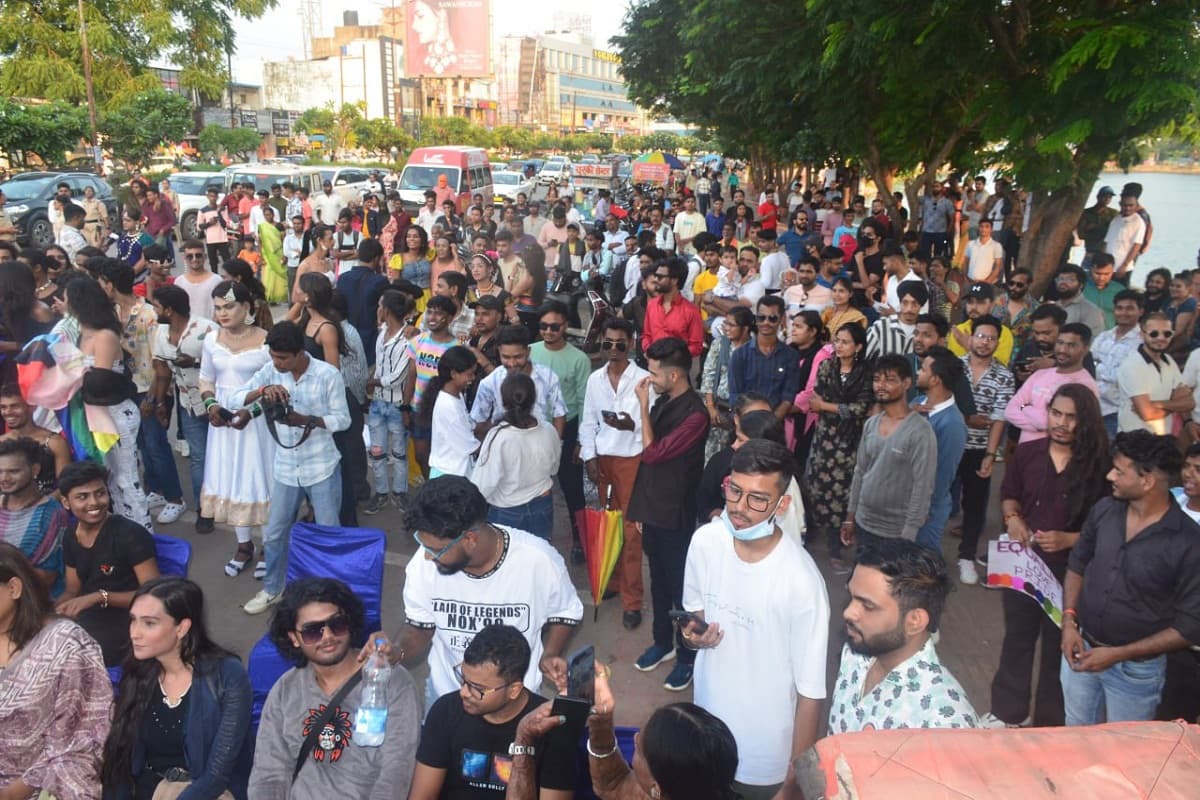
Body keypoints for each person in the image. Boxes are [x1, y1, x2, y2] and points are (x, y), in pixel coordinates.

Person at [680, 440, 827, 799]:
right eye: (735, 491)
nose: (740, 508)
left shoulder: (801, 582)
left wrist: (792, 783)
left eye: (758, 499)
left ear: (783, 504)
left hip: (763, 756)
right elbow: (692, 619)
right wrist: (692, 638)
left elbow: (810, 695)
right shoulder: (704, 542)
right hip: (705, 731)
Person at [369, 476, 582, 711]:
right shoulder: (423, 564)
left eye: (436, 550)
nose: (428, 556)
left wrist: (550, 653)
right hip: (446, 696)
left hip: (516, 702)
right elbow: (420, 625)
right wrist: (396, 652)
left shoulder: (539, 561)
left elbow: (565, 612)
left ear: (470, 539)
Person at [983, 385, 1110, 728]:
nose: (1062, 423)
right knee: (1017, 639)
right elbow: (1009, 495)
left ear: (1086, 422)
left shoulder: (1101, 464)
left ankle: (1049, 724)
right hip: (1024, 566)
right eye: (1057, 413)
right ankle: (1008, 713)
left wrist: (1071, 539)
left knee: (1060, 647)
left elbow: (1109, 526)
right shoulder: (1027, 453)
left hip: (1073, 573)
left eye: (1072, 417)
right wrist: (1013, 520)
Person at [1061, 430, 1200, 725]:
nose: (1110, 476)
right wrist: (1068, 623)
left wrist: (1117, 654)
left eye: (1119, 471)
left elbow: (1188, 627)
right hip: (1080, 651)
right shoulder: (1104, 511)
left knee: (1123, 756)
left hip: (1136, 675)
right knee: (1074, 739)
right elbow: (1077, 565)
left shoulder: (1189, 543)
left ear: (1147, 481)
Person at [250, 577, 419, 799]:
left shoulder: (392, 682)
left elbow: (395, 773)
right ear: (294, 638)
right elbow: (269, 774)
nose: (328, 636)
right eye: (313, 631)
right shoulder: (285, 690)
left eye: (336, 624)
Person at [231, 322, 351, 615]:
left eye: (282, 358)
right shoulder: (270, 371)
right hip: (285, 468)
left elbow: (343, 420)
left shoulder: (327, 375)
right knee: (273, 534)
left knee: (328, 534)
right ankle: (273, 589)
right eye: (273, 356)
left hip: (322, 465)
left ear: (300, 353)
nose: (276, 363)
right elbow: (234, 398)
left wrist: (306, 420)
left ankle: (329, 597)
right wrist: (262, 389)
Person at [100, 578, 254, 799]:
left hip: (204, 791)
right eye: (133, 620)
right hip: (149, 787)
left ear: (182, 628)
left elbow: (217, 774)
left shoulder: (227, 675)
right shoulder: (138, 673)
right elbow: (122, 760)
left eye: (149, 623)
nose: (135, 633)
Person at [627, 338, 710, 692]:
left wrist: (642, 407)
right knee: (658, 580)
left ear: (675, 375)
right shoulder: (666, 401)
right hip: (653, 508)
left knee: (681, 588)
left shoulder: (695, 415)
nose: (650, 379)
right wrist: (641, 509)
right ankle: (662, 642)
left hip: (676, 511)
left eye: (655, 373)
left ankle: (687, 656)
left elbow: (653, 453)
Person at [828, 538, 979, 733]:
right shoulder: (857, 648)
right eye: (852, 597)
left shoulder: (944, 723)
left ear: (915, 621)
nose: (848, 612)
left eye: (867, 605)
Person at [409, 624, 575, 800]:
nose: (464, 692)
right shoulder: (445, 711)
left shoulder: (551, 726)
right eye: (463, 679)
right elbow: (422, 795)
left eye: (478, 688)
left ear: (514, 690)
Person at [0, 542, 112, 799]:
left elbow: (85, 740)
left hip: (42, 787)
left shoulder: (66, 646)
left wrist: (12, 792)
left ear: (14, 588)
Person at [67, 274, 155, 533]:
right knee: (110, 479)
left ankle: (142, 534)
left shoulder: (105, 335)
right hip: (95, 415)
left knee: (126, 478)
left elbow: (101, 381)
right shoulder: (80, 333)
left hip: (116, 412)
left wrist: (69, 378)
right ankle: (122, 532)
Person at [198, 281, 274, 578]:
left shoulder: (267, 342)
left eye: (229, 306)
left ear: (247, 307)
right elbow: (206, 380)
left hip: (256, 427)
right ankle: (244, 546)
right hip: (223, 426)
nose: (223, 313)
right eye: (217, 308)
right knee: (231, 481)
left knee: (258, 481)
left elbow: (274, 389)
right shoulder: (211, 340)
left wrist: (250, 411)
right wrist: (212, 407)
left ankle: (269, 546)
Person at [580, 319, 650, 629]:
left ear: (631, 344)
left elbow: (649, 427)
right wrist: (589, 456)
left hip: (632, 461)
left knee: (632, 533)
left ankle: (632, 601)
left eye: (619, 343)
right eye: (607, 343)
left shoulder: (644, 379)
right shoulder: (595, 379)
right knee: (606, 527)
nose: (612, 349)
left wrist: (630, 425)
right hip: (603, 461)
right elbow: (587, 422)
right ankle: (612, 582)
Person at [54, 460, 160, 667]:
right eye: (82, 497)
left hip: (130, 619)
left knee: (71, 656)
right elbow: (72, 589)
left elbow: (154, 595)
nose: (94, 502)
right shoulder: (70, 535)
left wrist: (99, 598)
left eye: (100, 493)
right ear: (66, 502)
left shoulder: (129, 534)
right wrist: (54, 610)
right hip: (91, 614)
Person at [842, 355, 938, 549]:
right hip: (863, 523)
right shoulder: (871, 424)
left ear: (907, 383)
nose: (881, 385)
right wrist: (850, 518)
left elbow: (923, 485)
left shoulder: (920, 431)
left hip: (897, 532)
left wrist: (909, 533)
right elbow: (860, 472)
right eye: (877, 380)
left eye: (890, 380)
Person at [804, 323, 875, 572]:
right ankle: (807, 536)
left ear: (858, 347)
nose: (839, 346)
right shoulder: (826, 366)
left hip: (850, 441)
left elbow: (862, 408)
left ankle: (836, 547)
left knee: (844, 493)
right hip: (825, 438)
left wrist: (830, 407)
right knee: (815, 486)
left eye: (845, 342)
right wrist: (838, 408)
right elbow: (816, 400)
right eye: (837, 341)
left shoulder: (866, 373)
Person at [149, 284, 218, 533]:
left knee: (224, 455)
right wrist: (160, 403)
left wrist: (196, 362)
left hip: (216, 402)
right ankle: (204, 510)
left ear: (169, 309)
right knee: (198, 458)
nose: (154, 309)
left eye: (156, 305)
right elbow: (162, 370)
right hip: (188, 404)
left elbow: (224, 363)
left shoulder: (207, 330)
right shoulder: (161, 332)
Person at [954, 316, 1015, 584]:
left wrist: (990, 455)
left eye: (991, 338)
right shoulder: (954, 368)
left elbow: (1000, 417)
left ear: (997, 342)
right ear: (971, 337)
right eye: (980, 336)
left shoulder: (1004, 375)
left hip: (979, 448)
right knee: (936, 500)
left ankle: (966, 557)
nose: (984, 342)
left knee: (975, 504)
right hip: (949, 443)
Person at [471, 373, 561, 541]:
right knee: (539, 561)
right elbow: (554, 468)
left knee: (506, 563)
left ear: (504, 402)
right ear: (533, 400)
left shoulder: (499, 436)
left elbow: (484, 484)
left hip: (506, 510)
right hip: (542, 505)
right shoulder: (549, 430)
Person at [912, 347, 968, 554]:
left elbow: (943, 475)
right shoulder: (917, 404)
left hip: (928, 510)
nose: (918, 373)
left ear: (935, 379)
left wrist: (923, 508)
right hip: (908, 503)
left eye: (924, 369)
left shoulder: (952, 424)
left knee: (921, 565)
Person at [1005, 322, 1100, 442]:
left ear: (1085, 350)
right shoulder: (1040, 374)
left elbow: (1074, 428)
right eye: (1060, 343)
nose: (1062, 350)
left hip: (1059, 457)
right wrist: (1044, 425)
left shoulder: (1085, 385)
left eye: (1071, 345)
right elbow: (1010, 411)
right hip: (1026, 452)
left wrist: (1025, 408)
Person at [469, 324, 567, 439]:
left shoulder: (548, 377)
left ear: (528, 351)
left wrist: (555, 445)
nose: (512, 363)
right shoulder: (490, 382)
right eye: (506, 357)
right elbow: (478, 421)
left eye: (518, 357)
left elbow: (559, 413)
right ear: (499, 352)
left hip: (539, 444)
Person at [0, 437, 69, 594]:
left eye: (13, 471)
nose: (4, 478)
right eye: (0, 472)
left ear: (35, 470)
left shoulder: (52, 515)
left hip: (33, 604)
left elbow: (47, 576)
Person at [403, 295, 458, 477]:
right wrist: (405, 407)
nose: (432, 318)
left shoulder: (456, 348)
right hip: (419, 409)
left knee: (444, 455)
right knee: (421, 455)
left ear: (450, 318)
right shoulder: (418, 342)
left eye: (439, 314)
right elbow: (411, 376)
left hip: (444, 411)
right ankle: (431, 486)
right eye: (430, 312)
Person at [1117, 312, 1193, 435]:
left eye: (1167, 333)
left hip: (1162, 440)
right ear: (1142, 334)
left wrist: (1158, 404)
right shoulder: (1132, 365)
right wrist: (1175, 405)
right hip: (1134, 441)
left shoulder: (1169, 361)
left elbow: (1190, 403)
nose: (1161, 338)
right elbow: (1148, 414)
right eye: (1154, 333)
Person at [727, 295, 801, 418]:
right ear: (756, 319)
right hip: (745, 423)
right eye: (761, 318)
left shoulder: (790, 356)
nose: (766, 322)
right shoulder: (740, 355)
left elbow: (788, 397)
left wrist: (770, 424)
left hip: (774, 426)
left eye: (772, 318)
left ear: (782, 319)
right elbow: (735, 395)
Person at [699, 308, 754, 461]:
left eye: (732, 325)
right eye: (725, 323)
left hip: (743, 411)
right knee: (713, 455)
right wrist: (710, 408)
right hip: (719, 408)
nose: (726, 328)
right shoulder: (720, 344)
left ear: (745, 328)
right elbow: (708, 376)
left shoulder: (754, 349)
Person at [1092, 290, 1145, 439]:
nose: (1123, 312)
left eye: (1129, 308)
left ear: (1140, 311)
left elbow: (1128, 378)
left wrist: (1100, 369)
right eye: (1119, 308)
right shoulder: (1104, 337)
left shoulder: (1142, 342)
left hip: (1117, 412)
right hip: (1092, 407)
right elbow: (1089, 364)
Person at [0, 384, 70, 493]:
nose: (8, 412)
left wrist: (41, 506)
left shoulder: (54, 442)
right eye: (3, 407)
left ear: (32, 407)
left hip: (46, 505)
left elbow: (64, 486)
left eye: (15, 406)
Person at [423, 345, 479, 480]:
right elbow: (472, 447)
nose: (473, 377)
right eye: (469, 374)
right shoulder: (449, 406)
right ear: (454, 374)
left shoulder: (456, 395)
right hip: (450, 475)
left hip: (455, 470)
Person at [337, 238, 390, 368]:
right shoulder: (380, 281)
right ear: (377, 258)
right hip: (370, 337)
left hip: (345, 336)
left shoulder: (343, 278)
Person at [642, 256, 704, 358]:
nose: (656, 279)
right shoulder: (652, 305)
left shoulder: (691, 311)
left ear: (674, 280)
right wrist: (649, 350)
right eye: (656, 276)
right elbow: (647, 335)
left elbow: (696, 346)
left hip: (677, 368)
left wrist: (674, 357)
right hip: (654, 366)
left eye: (660, 277)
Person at [865, 281, 927, 358]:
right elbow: (864, 358)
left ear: (921, 305)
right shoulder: (881, 327)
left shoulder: (926, 331)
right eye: (905, 303)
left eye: (914, 304)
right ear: (900, 303)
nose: (909, 309)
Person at [1103, 191, 1146, 283]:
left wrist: (1124, 265)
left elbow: (1137, 246)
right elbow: (1107, 242)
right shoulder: (1116, 219)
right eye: (1125, 205)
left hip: (1122, 268)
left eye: (1131, 205)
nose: (1127, 208)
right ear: (1120, 204)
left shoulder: (1138, 222)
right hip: (1108, 267)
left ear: (1136, 206)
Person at [1052, 265, 1105, 338]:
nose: (1063, 282)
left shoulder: (1091, 311)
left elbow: (1092, 341)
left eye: (1070, 279)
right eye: (1060, 279)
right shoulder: (1053, 307)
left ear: (1081, 285)